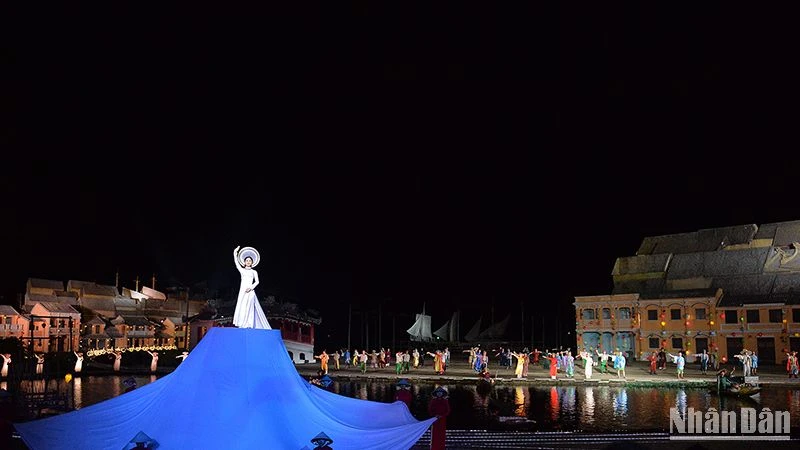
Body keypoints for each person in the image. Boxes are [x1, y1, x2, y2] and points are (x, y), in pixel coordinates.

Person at [232, 246, 271, 329]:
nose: (248, 262)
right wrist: (235, 253)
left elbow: (257, 281)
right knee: (242, 307)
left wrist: (251, 287)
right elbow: (236, 263)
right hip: (242, 291)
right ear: (244, 262)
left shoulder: (254, 272)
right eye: (247, 260)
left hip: (250, 292)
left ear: (252, 262)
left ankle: (249, 324)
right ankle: (242, 324)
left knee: (249, 307)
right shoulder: (242, 270)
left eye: (250, 261)